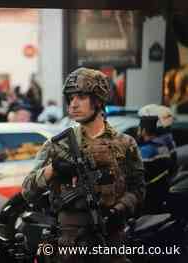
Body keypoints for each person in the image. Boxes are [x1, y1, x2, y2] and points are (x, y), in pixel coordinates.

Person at [22, 67, 145, 263]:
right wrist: (52, 170)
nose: (73, 104)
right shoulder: (57, 145)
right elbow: (27, 190)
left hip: (110, 241)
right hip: (69, 246)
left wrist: (118, 209)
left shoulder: (125, 143)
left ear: (98, 100)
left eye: (81, 97)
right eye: (70, 98)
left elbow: (138, 189)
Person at [137, 104, 177, 214]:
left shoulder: (147, 151)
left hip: (147, 204)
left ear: (144, 129)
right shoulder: (167, 145)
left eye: (140, 124)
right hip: (159, 200)